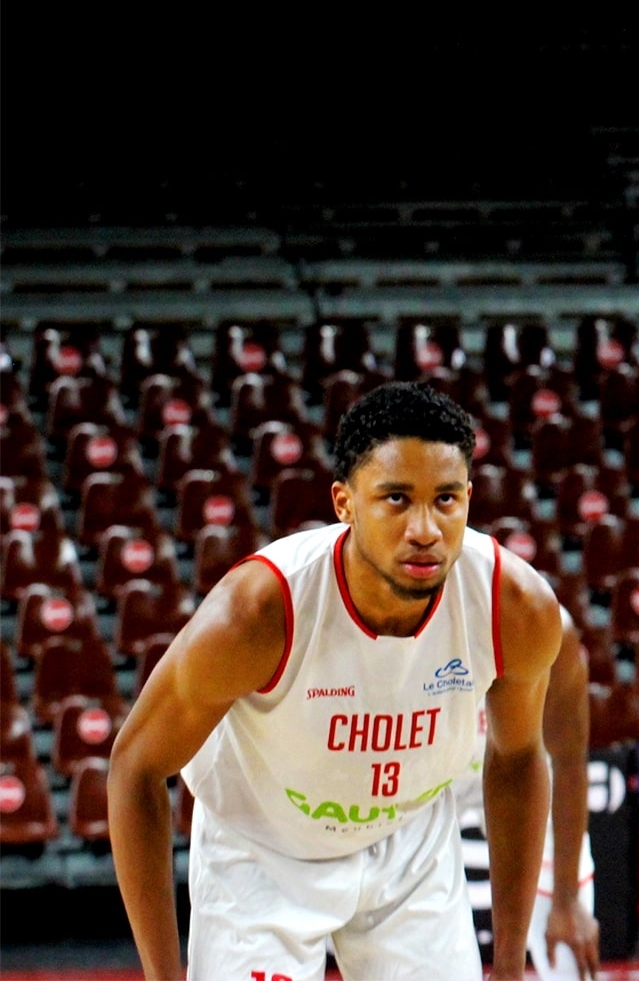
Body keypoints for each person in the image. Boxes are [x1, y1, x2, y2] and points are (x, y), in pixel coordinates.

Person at [110, 382, 565, 980]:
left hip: (409, 847)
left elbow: (517, 758)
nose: (425, 527)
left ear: (470, 500)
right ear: (344, 503)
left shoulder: (515, 606)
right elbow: (135, 767)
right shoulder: (257, 614)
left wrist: (508, 966)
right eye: (396, 499)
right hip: (263, 851)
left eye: (446, 499)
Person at [458, 606, 600, 981]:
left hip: (522, 767)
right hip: (439, 775)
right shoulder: (415, 622)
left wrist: (567, 900)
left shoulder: (548, 626)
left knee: (570, 948)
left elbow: (569, 761)